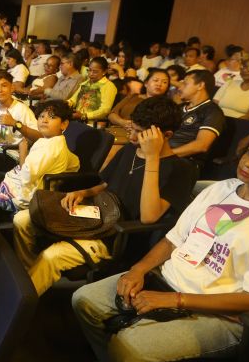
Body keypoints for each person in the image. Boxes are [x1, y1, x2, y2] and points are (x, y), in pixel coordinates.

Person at [71, 128, 249, 362]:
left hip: (220, 315)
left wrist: (174, 300)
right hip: (165, 281)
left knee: (128, 346)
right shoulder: (221, 189)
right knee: (84, 300)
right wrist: (138, 270)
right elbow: (173, 239)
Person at [13, 97, 193, 295]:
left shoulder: (181, 170)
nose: (132, 137)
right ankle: (29, 280)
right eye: (131, 128)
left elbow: (148, 216)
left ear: (165, 135)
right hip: (97, 214)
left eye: (140, 134)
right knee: (22, 219)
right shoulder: (129, 150)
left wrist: (152, 157)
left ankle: (21, 300)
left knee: (53, 256)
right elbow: (106, 184)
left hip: (117, 236)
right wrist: (82, 192)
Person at [0, 99, 79, 219]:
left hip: (20, 196)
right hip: (18, 183)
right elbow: (75, 163)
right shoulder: (56, 141)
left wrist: (23, 151)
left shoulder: (50, 147)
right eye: (42, 116)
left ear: (64, 124)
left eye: (52, 117)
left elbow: (26, 177)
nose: (44, 120)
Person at [169, 69, 225, 164]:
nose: (180, 88)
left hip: (184, 162)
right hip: (161, 155)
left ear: (200, 85)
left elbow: (201, 145)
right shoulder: (178, 108)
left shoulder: (212, 111)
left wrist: (164, 155)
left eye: (185, 84)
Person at [107, 68, 170, 144]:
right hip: (116, 132)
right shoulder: (133, 97)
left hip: (138, 140)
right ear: (146, 83)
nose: (159, 84)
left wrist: (135, 127)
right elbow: (112, 114)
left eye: (164, 82)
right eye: (156, 80)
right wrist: (122, 122)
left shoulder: (165, 106)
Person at [67, 57, 118, 123]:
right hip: (77, 119)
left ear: (104, 72)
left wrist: (84, 115)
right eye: (89, 70)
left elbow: (105, 110)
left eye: (95, 71)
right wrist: (63, 104)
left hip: (93, 123)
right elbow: (72, 100)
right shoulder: (85, 83)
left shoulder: (108, 86)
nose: (91, 74)